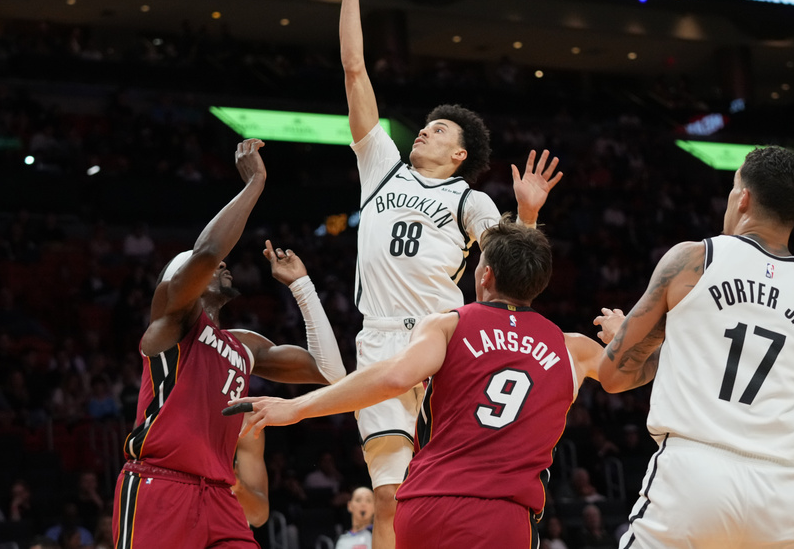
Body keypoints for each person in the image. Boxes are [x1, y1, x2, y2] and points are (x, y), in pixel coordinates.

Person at [334, 0, 563, 549]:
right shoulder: (381, 168)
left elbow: (513, 264)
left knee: (455, 485)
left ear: (461, 154)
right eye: (426, 127)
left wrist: (528, 212)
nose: (425, 133)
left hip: (452, 343)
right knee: (389, 495)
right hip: (382, 338)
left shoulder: (470, 199)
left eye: (439, 131)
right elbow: (355, 70)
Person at [230, 217, 617, 549]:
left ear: (485, 275)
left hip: (428, 504)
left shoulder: (450, 323)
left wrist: (297, 407)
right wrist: (622, 337)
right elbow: (634, 374)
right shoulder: (573, 347)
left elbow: (393, 377)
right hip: (503, 513)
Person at [597, 145, 794, 548]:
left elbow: (612, 377)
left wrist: (647, 334)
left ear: (743, 197)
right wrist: (763, 425)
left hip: (691, 478)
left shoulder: (693, 259)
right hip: (783, 494)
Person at [112, 138, 345, 549]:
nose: (224, 264)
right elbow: (207, 251)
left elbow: (330, 372)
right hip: (160, 484)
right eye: (208, 267)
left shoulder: (244, 346)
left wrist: (303, 287)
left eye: (224, 265)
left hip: (220, 495)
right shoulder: (172, 319)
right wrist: (254, 182)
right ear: (182, 279)